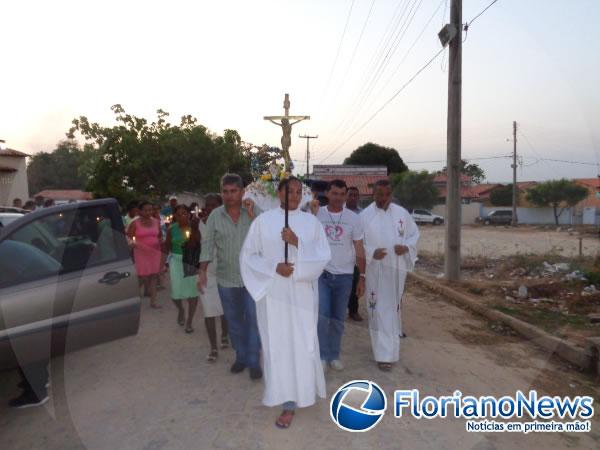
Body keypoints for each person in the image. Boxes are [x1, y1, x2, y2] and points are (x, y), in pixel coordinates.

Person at [240, 177, 331, 429]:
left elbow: (323, 255)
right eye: (289, 191)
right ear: (279, 193)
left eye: (298, 191)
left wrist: (297, 242)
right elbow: (248, 256)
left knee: (302, 343)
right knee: (278, 344)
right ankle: (286, 400)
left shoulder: (311, 223)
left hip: (301, 290)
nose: (293, 195)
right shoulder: (263, 222)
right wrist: (273, 267)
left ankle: (303, 392)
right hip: (274, 293)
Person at [198, 173, 262, 380]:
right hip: (226, 279)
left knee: (253, 320)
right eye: (225, 191)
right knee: (234, 322)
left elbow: (268, 234)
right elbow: (207, 245)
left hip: (253, 280)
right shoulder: (215, 216)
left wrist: (253, 214)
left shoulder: (253, 211)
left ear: (242, 192)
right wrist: (202, 271)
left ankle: (254, 361)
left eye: (234, 191)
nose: (229, 195)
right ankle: (241, 357)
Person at [360, 179, 419, 371]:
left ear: (391, 195)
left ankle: (392, 351)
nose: (383, 198)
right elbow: (357, 243)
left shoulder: (402, 214)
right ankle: (382, 354)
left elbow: (413, 235)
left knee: (392, 310)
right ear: (373, 194)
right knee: (377, 310)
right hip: (375, 271)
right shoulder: (365, 216)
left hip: (396, 270)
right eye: (379, 194)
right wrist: (370, 252)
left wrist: (407, 247)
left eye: (387, 194)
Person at [314, 180, 365, 372]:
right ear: (327, 194)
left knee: (337, 319)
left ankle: (333, 355)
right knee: (322, 317)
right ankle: (321, 356)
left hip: (344, 276)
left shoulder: (354, 218)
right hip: (322, 274)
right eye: (335, 193)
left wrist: (362, 277)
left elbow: (359, 247)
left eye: (342, 194)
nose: (339, 198)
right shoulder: (316, 213)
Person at [198, 193, 229, 362]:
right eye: (207, 205)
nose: (210, 208)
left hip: (225, 271)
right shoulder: (199, 224)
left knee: (224, 308)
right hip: (206, 272)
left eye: (213, 205)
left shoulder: (227, 222)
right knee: (209, 311)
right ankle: (213, 347)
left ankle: (225, 334)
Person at [165, 205, 200, 333]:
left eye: (184, 213)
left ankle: (189, 321)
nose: (182, 216)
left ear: (189, 214)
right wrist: (164, 261)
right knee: (176, 293)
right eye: (178, 214)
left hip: (190, 261)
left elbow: (198, 242)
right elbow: (167, 246)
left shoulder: (194, 227)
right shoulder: (171, 229)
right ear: (175, 216)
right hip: (176, 262)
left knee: (192, 292)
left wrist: (191, 241)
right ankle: (180, 309)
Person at [128, 201, 163, 308]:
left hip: (154, 252)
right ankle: (131, 298)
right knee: (142, 277)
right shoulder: (135, 223)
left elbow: (160, 235)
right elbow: (129, 236)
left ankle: (153, 301)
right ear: (140, 211)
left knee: (154, 276)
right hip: (141, 252)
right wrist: (132, 243)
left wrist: (160, 242)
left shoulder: (156, 221)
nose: (148, 212)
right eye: (146, 210)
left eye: (150, 210)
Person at [346, 186, 364, 321]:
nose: (353, 198)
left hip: (356, 255)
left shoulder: (362, 214)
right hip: (341, 254)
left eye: (355, 195)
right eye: (350, 195)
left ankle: (353, 310)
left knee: (354, 283)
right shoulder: (340, 212)